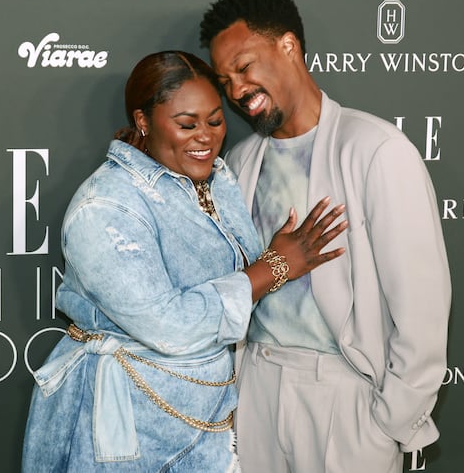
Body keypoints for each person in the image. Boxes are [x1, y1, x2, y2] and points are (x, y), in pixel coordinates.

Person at [21, 50, 347, 472]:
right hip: (126, 433)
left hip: (210, 422)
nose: (206, 138)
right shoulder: (104, 206)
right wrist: (272, 268)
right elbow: (169, 326)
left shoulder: (217, 179)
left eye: (214, 121)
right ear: (143, 121)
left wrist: (270, 267)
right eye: (186, 124)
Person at [199, 0, 452, 473]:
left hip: (344, 398)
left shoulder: (375, 149)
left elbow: (422, 306)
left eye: (244, 67)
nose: (234, 90)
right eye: (224, 79)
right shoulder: (239, 159)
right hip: (255, 391)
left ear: (288, 46)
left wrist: (388, 424)